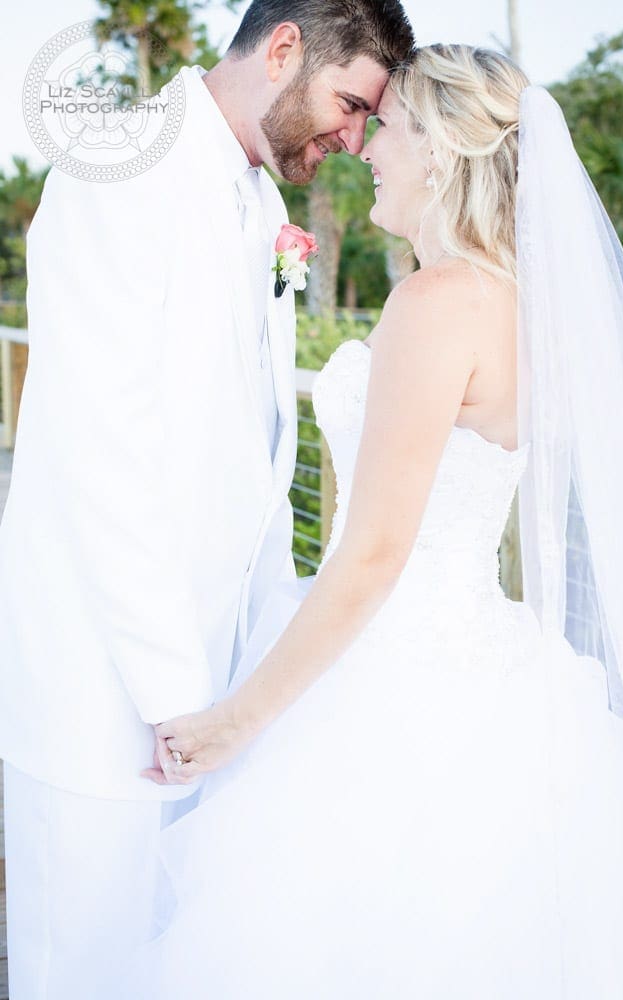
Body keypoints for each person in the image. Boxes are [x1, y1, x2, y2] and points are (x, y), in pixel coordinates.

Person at [132, 44, 623, 998]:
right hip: (489, 665)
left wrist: (234, 723)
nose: (366, 149)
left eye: (388, 128)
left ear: (442, 150)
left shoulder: (438, 302)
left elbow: (376, 551)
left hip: (391, 681)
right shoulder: (514, 303)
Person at [0, 2, 414, 997]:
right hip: (105, 697)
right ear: (284, 49)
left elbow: (253, 456)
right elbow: (103, 455)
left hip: (214, 698)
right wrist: (179, 700)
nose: (354, 138)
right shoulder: (119, 166)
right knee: (80, 969)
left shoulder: (260, 204)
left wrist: (239, 696)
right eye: (350, 104)